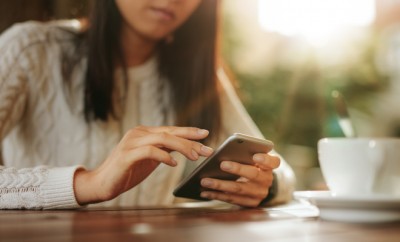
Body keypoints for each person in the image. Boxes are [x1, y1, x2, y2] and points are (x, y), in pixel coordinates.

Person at [0, 0, 295, 209]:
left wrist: (266, 186)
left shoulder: (199, 78)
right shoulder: (28, 50)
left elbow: (279, 168)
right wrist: (89, 184)